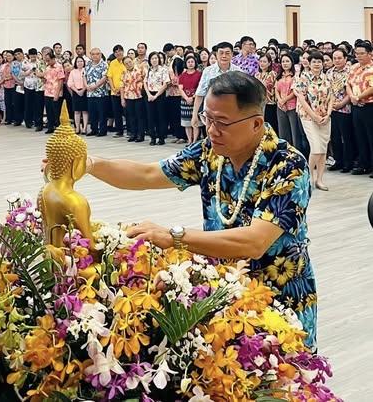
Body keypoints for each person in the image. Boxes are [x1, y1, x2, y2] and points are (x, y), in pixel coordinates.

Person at [78, 72, 317, 350]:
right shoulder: (210, 152)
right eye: (207, 119)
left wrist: (175, 237)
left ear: (256, 124)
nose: (212, 130)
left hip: (279, 301)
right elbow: (147, 174)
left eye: (222, 122)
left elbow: (254, 242)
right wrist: (90, 164)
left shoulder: (288, 166)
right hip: (223, 294)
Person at [294, 51, 333, 191]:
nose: (317, 64)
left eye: (319, 61)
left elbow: (332, 96)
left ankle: (319, 180)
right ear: (309, 64)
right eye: (314, 61)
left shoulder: (327, 78)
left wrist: (328, 114)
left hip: (324, 117)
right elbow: (301, 99)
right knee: (316, 148)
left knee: (323, 150)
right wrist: (314, 115)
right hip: (308, 117)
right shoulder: (303, 78)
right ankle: (307, 178)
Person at [191, 41, 241, 130]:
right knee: (212, 137)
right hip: (212, 115)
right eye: (221, 53)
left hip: (232, 114)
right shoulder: (208, 71)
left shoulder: (238, 72)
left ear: (232, 55)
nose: (224, 56)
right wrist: (194, 115)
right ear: (216, 54)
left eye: (227, 53)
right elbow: (200, 94)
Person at [346, 40, 373, 176]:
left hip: (369, 106)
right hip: (356, 105)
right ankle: (363, 164)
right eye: (357, 53)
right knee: (360, 135)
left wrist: (359, 97)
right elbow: (348, 84)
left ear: (370, 54)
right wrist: (352, 97)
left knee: (371, 136)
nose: (358, 56)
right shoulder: (354, 67)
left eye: (362, 53)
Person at [328, 48, 354, 173]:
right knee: (335, 136)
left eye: (339, 58)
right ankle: (338, 161)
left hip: (345, 109)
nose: (337, 60)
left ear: (345, 58)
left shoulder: (350, 72)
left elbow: (351, 91)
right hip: (331, 108)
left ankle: (348, 163)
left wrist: (341, 104)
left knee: (346, 137)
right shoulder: (329, 72)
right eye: (335, 58)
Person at [275, 52, 301, 149]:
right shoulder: (279, 76)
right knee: (283, 132)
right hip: (280, 107)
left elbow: (295, 91)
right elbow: (276, 89)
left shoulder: (295, 75)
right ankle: (284, 152)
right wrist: (280, 100)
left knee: (295, 133)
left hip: (292, 106)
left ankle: (296, 153)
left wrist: (284, 100)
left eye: (287, 61)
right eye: (283, 61)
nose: (285, 63)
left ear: (291, 62)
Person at [145, 51, 169, 146]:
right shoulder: (148, 70)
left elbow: (165, 84)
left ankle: (161, 137)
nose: (154, 60)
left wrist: (156, 96)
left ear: (158, 59)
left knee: (160, 117)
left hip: (160, 95)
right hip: (150, 95)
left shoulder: (163, 70)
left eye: (156, 58)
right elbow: (145, 83)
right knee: (150, 117)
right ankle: (152, 137)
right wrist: (149, 95)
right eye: (152, 58)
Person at [121, 55, 145, 142]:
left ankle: (140, 135)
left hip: (139, 96)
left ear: (132, 61)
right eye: (126, 63)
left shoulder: (140, 70)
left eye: (130, 62)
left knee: (140, 116)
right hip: (128, 96)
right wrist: (122, 99)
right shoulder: (124, 73)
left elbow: (145, 82)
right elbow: (122, 86)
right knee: (131, 116)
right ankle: (133, 134)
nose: (128, 64)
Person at [178, 53, 202, 144]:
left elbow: (200, 87)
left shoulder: (199, 74)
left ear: (195, 63)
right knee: (187, 123)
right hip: (185, 101)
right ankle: (189, 140)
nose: (190, 63)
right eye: (188, 62)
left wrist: (192, 97)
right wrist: (187, 98)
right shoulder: (182, 75)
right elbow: (180, 88)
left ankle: (195, 141)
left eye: (192, 62)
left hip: (196, 100)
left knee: (195, 122)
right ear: (186, 63)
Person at [85, 48, 108, 137]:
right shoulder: (88, 64)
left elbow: (104, 77)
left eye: (97, 54)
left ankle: (102, 130)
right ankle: (94, 129)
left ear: (100, 55)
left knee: (102, 113)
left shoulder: (104, 64)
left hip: (101, 93)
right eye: (93, 54)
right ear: (90, 55)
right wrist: (86, 86)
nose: (95, 56)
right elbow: (84, 76)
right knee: (92, 112)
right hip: (90, 93)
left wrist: (95, 86)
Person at [255, 53, 278, 134]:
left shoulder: (273, 74)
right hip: (260, 103)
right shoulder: (257, 75)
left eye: (264, 62)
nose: (262, 63)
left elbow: (274, 88)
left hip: (270, 103)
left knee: (271, 125)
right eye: (260, 61)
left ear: (269, 63)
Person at [43, 51, 65, 133]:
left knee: (56, 112)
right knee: (49, 111)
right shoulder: (47, 67)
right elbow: (46, 78)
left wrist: (57, 94)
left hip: (56, 92)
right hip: (47, 92)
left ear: (53, 59)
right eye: (46, 61)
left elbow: (61, 81)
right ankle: (50, 127)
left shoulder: (59, 67)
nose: (47, 62)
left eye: (48, 60)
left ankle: (58, 127)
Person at [107, 44, 126, 137]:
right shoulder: (112, 63)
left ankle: (131, 131)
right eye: (116, 52)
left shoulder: (126, 62)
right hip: (114, 92)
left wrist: (120, 89)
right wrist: (113, 88)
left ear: (123, 51)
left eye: (120, 51)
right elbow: (109, 77)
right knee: (116, 112)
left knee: (127, 112)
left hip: (125, 91)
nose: (118, 53)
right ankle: (119, 131)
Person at [68, 56, 89, 134]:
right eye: (78, 61)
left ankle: (84, 128)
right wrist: (77, 91)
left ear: (84, 62)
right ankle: (77, 128)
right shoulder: (73, 72)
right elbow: (70, 83)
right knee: (76, 111)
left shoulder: (86, 70)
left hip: (85, 91)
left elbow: (88, 81)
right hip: (76, 92)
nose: (80, 63)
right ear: (75, 63)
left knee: (85, 111)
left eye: (81, 61)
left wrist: (83, 90)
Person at [22, 48, 39, 129]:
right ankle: (28, 121)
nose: (33, 57)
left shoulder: (39, 62)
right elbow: (23, 74)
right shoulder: (25, 62)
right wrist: (31, 70)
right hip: (28, 85)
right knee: (28, 104)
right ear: (29, 55)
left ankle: (36, 121)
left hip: (37, 86)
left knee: (37, 104)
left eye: (34, 55)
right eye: (31, 55)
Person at [11, 48, 26, 127]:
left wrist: (23, 82)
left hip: (27, 85)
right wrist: (19, 82)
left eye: (19, 54)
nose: (17, 56)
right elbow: (12, 74)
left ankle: (27, 119)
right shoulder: (14, 63)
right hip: (17, 85)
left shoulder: (27, 62)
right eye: (15, 55)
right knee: (17, 103)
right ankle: (18, 120)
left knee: (26, 103)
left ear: (22, 54)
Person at [2, 50, 16, 124]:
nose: (8, 57)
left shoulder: (15, 64)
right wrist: (6, 78)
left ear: (13, 56)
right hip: (6, 86)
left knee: (14, 103)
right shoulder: (5, 65)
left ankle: (15, 119)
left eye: (10, 56)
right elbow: (3, 75)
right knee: (7, 103)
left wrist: (7, 78)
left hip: (14, 85)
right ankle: (9, 119)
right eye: (7, 56)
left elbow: (15, 74)